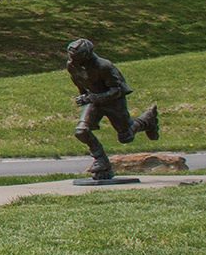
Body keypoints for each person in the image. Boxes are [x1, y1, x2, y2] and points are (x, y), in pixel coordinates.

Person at [66, 38, 160, 180]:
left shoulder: (104, 66)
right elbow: (80, 83)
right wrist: (84, 97)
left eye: (76, 57)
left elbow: (117, 90)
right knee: (81, 131)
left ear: (86, 55)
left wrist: (92, 98)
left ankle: (148, 120)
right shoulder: (72, 65)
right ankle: (101, 160)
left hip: (114, 102)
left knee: (126, 136)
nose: (73, 60)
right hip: (93, 102)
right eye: (71, 57)